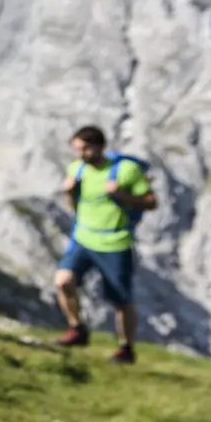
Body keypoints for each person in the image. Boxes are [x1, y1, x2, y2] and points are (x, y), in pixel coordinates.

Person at [55, 125, 157, 363]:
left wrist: (122, 196)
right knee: (63, 281)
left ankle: (126, 348)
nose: (80, 154)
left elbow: (151, 202)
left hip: (115, 242)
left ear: (99, 146)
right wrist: (69, 193)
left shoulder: (126, 170)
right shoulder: (77, 169)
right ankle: (77, 327)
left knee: (121, 299)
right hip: (82, 238)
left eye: (85, 149)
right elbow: (77, 207)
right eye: (77, 150)